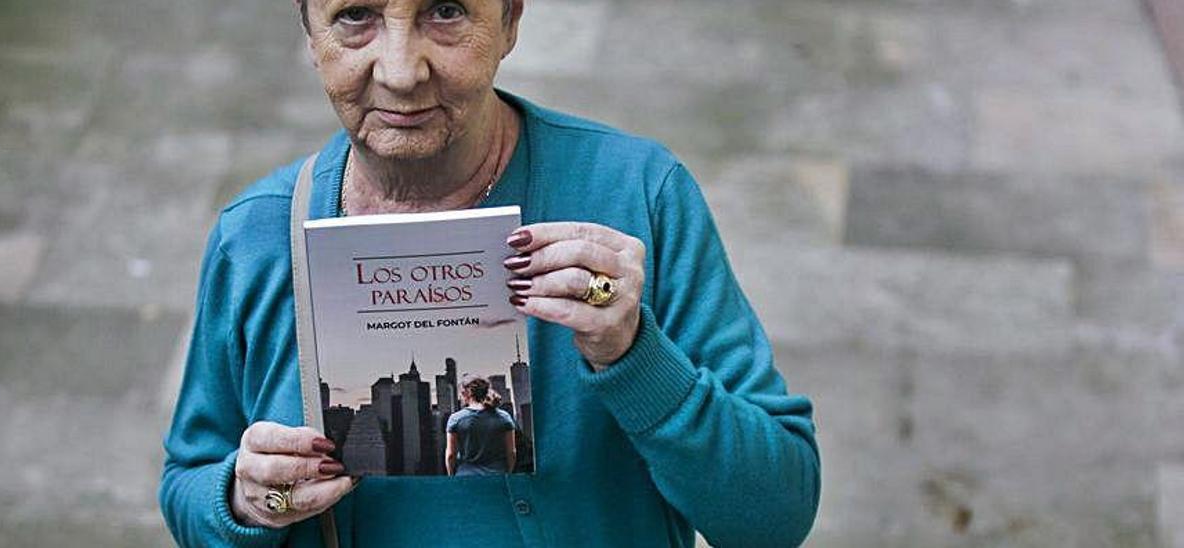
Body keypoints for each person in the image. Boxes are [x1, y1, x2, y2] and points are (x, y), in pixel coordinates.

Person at [159, 0, 821, 546]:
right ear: (309, 31)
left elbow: (774, 516)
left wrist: (634, 355)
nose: (400, 70)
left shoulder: (637, 195)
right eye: (355, 17)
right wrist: (245, 500)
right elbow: (187, 486)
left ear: (510, 21)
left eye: (444, 13)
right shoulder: (255, 237)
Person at [445, 377, 517, 476]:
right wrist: (507, 473)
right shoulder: (504, 417)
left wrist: (451, 476)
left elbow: (450, 456)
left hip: (466, 478)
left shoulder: (456, 419)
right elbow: (511, 453)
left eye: (461, 393)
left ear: (468, 393)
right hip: (496, 477)